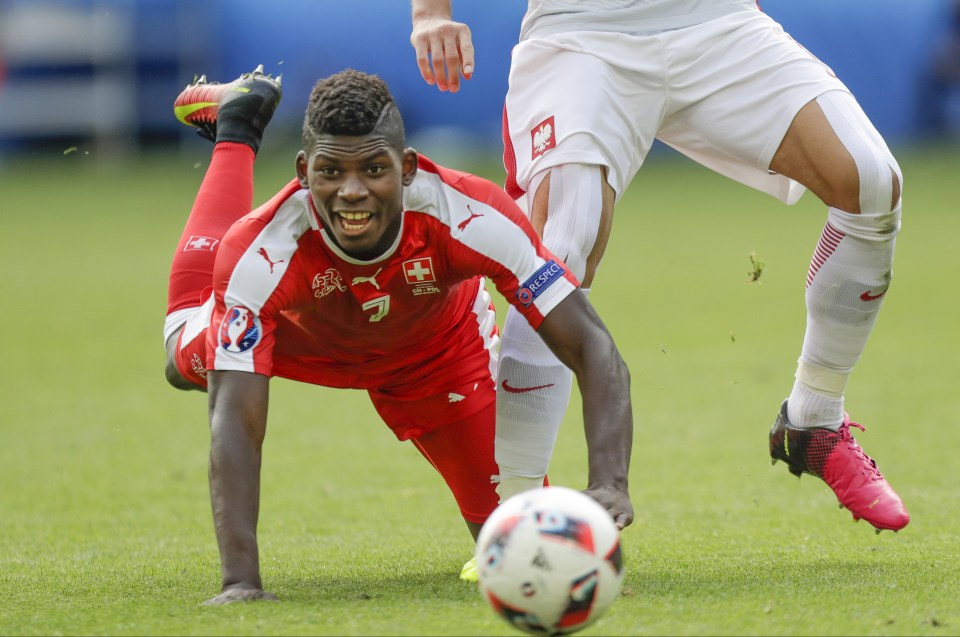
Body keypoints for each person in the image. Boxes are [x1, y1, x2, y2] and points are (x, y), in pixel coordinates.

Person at [410, 0, 909, 533]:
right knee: (564, 238)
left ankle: (815, 417)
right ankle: (516, 516)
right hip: (582, 30)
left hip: (718, 20)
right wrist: (430, 15)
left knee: (872, 180)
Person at [163, 66, 634, 605]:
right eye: (331, 171)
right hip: (298, 340)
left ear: (408, 168)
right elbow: (237, 423)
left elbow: (593, 346)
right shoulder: (263, 251)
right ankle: (238, 127)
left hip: (435, 354)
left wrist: (609, 482)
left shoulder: (470, 214)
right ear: (302, 171)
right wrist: (240, 582)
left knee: (522, 542)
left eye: (374, 169)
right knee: (184, 360)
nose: (353, 191)